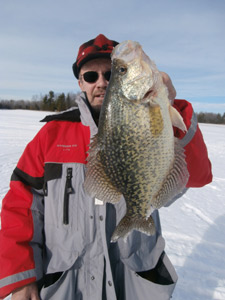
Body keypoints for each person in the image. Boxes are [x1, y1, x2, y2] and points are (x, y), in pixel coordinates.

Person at [0, 34, 212, 300]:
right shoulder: (51, 136)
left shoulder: (158, 113)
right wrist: (22, 277)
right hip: (67, 284)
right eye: (91, 77)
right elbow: (20, 206)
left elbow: (199, 176)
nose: (101, 82)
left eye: (113, 73)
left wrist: (170, 105)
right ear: (80, 83)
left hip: (135, 282)